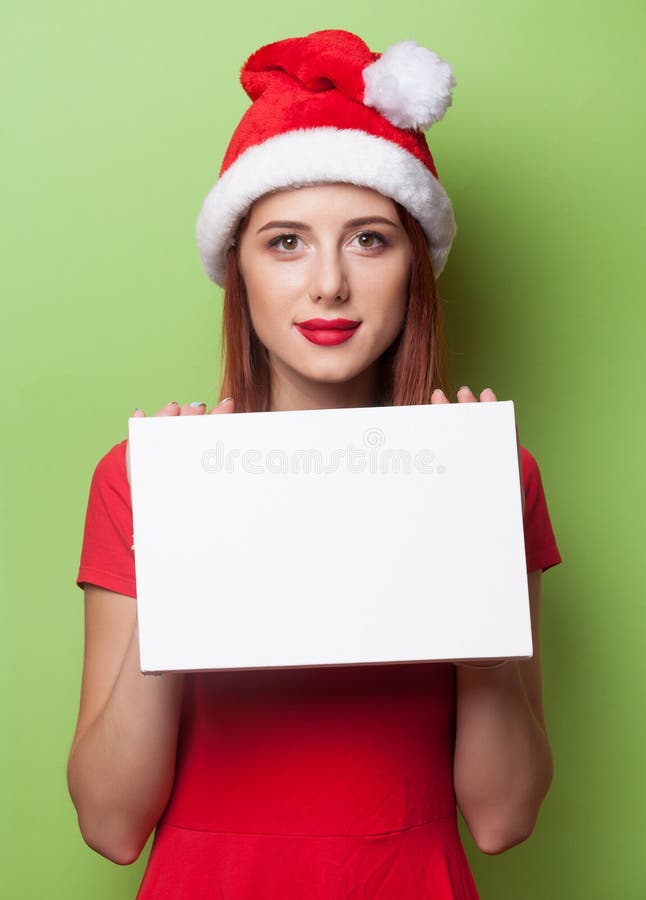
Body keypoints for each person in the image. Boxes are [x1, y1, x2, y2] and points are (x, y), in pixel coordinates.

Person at [68, 29, 562, 899]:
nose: (328, 284)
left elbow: (503, 819)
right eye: (285, 242)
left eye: (369, 240)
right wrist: (184, 544)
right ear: (238, 269)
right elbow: (110, 824)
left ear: (415, 268)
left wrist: (472, 546)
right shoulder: (137, 480)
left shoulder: (496, 477)